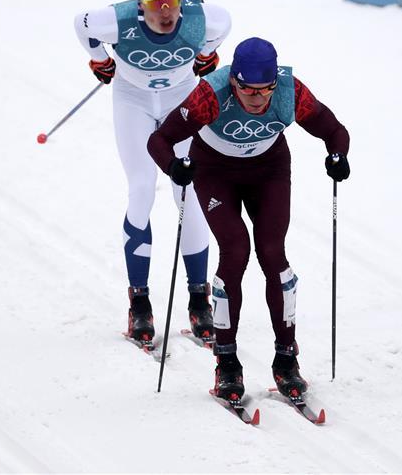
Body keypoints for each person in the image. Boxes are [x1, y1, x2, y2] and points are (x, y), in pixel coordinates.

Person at [147, 37, 351, 401]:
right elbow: (159, 139)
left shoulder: (291, 92)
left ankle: (286, 359)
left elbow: (334, 130)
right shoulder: (210, 95)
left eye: (264, 90)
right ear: (234, 82)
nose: (257, 99)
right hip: (215, 170)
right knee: (236, 250)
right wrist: (174, 166)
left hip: (268, 169)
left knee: (273, 254)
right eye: (246, 90)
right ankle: (226, 362)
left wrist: (337, 155)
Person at [74, 0, 232, 348]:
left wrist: (207, 54)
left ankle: (199, 300)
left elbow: (224, 22)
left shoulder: (199, 16)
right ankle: (140, 303)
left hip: (181, 101)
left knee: (190, 192)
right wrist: (100, 60)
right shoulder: (118, 19)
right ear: (140, 4)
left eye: (172, 1)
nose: (166, 11)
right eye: (156, 3)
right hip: (134, 104)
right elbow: (82, 23)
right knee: (143, 188)